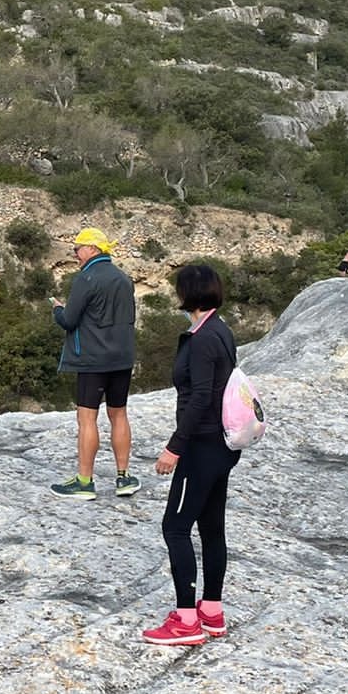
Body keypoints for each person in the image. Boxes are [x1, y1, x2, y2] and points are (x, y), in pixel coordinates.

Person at [142, 263, 240, 648]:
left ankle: (185, 621)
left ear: (189, 294)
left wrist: (174, 447)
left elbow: (200, 396)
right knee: (212, 528)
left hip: (199, 446)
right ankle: (211, 611)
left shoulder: (201, 340)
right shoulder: (221, 329)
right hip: (222, 446)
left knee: (176, 528)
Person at [50, 226, 139, 500]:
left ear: (92, 249)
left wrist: (57, 308)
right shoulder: (124, 279)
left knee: (87, 417)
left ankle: (85, 482)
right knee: (119, 414)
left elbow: (69, 320)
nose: (76, 254)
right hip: (121, 359)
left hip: (92, 360)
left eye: (78, 248)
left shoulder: (86, 278)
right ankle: (124, 478)